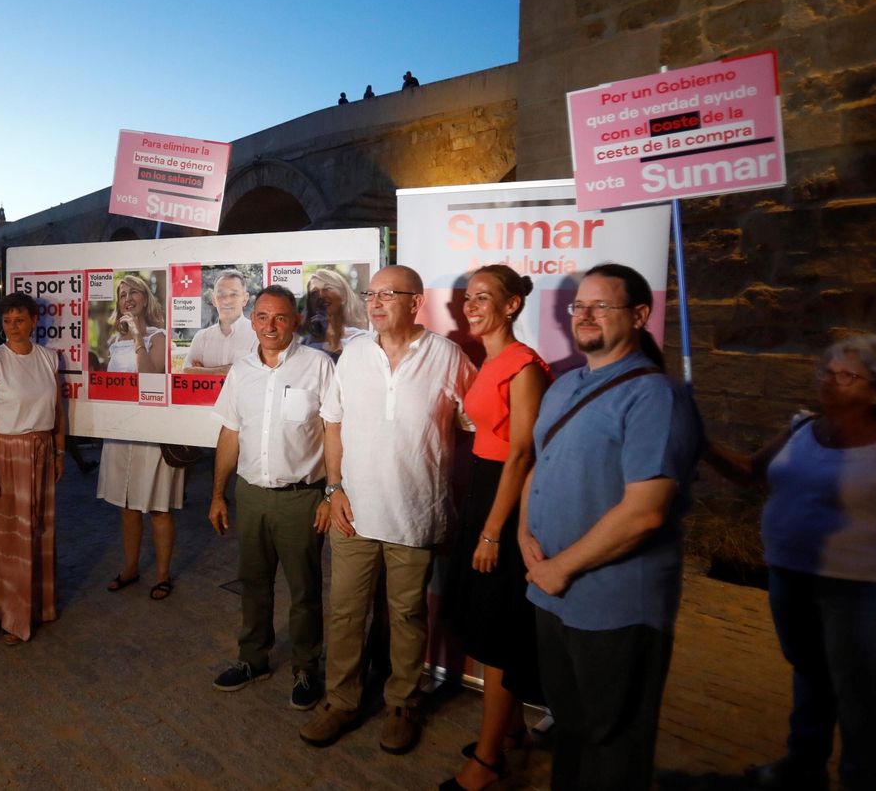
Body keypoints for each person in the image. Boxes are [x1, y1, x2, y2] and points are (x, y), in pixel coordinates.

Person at [706, 333, 876, 791]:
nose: (830, 382)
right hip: (791, 577)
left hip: (864, 588)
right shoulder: (802, 427)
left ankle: (861, 780)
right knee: (811, 676)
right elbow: (749, 472)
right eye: (826, 372)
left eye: (847, 376)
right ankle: (803, 767)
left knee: (859, 692)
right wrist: (701, 444)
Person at [519, 263, 701, 791]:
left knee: (614, 740)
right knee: (570, 728)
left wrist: (559, 567)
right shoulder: (564, 384)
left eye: (602, 305)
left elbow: (646, 510)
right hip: (550, 594)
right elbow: (538, 462)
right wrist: (524, 537)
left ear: (640, 316)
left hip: (614, 604)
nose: (585, 315)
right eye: (579, 306)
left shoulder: (654, 397)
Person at [300, 265, 476, 755]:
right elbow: (332, 425)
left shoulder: (447, 356)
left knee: (407, 615)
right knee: (346, 614)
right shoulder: (353, 356)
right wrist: (333, 488)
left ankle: (402, 704)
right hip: (352, 512)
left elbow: (477, 423)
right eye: (370, 294)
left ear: (415, 302)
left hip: (415, 513)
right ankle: (342, 702)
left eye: (387, 294)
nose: (375, 303)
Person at [440, 265, 551, 791]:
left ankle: (486, 763)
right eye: (468, 296)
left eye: (484, 297)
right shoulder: (489, 361)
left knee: (500, 628)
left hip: (504, 505)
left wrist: (492, 531)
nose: (471, 304)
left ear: (512, 306)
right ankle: (511, 735)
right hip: (484, 491)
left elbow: (523, 453)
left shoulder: (524, 365)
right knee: (482, 618)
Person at [208, 286, 338, 710]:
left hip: (301, 498)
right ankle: (253, 660)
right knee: (254, 584)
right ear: (253, 320)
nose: (269, 326)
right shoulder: (241, 369)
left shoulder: (317, 366)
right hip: (250, 495)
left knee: (304, 590)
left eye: (280, 317)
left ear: (295, 321)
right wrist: (218, 495)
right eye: (262, 317)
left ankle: (306, 667)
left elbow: (336, 433)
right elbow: (230, 432)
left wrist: (331, 493)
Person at [0, 292, 65, 644]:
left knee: (38, 531)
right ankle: (6, 615)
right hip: (5, 454)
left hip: (42, 450)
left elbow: (58, 409)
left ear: (34, 321)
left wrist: (60, 451)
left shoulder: (49, 358)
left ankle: (35, 608)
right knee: (7, 538)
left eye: (20, 320)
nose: (13, 327)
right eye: (7, 321)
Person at [97, 273, 182, 601]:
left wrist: (137, 339)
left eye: (134, 292)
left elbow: (152, 379)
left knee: (159, 507)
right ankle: (131, 567)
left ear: (146, 299)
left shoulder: (159, 336)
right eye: (122, 294)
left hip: (153, 432)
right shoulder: (112, 341)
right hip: (120, 432)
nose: (128, 298)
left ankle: (163, 575)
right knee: (127, 505)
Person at [183, 270, 257, 375]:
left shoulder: (257, 334)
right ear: (214, 299)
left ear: (245, 299)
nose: (226, 300)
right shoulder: (201, 337)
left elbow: (256, 374)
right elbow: (187, 372)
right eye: (221, 294)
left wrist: (204, 371)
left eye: (234, 294)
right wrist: (230, 370)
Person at [303, 268, 368, 360]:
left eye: (328, 289)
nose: (321, 295)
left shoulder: (362, 338)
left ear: (344, 296)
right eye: (314, 292)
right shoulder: (305, 342)